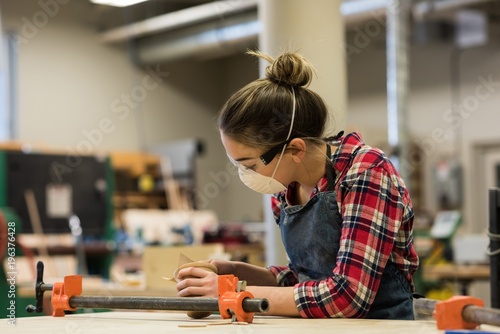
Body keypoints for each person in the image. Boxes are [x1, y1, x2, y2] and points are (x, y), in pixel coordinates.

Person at [176, 50, 419, 319]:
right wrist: (235, 272)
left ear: (295, 150)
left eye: (250, 164)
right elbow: (303, 282)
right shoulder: (284, 189)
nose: (245, 174)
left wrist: (231, 291)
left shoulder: (364, 172)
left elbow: (347, 297)